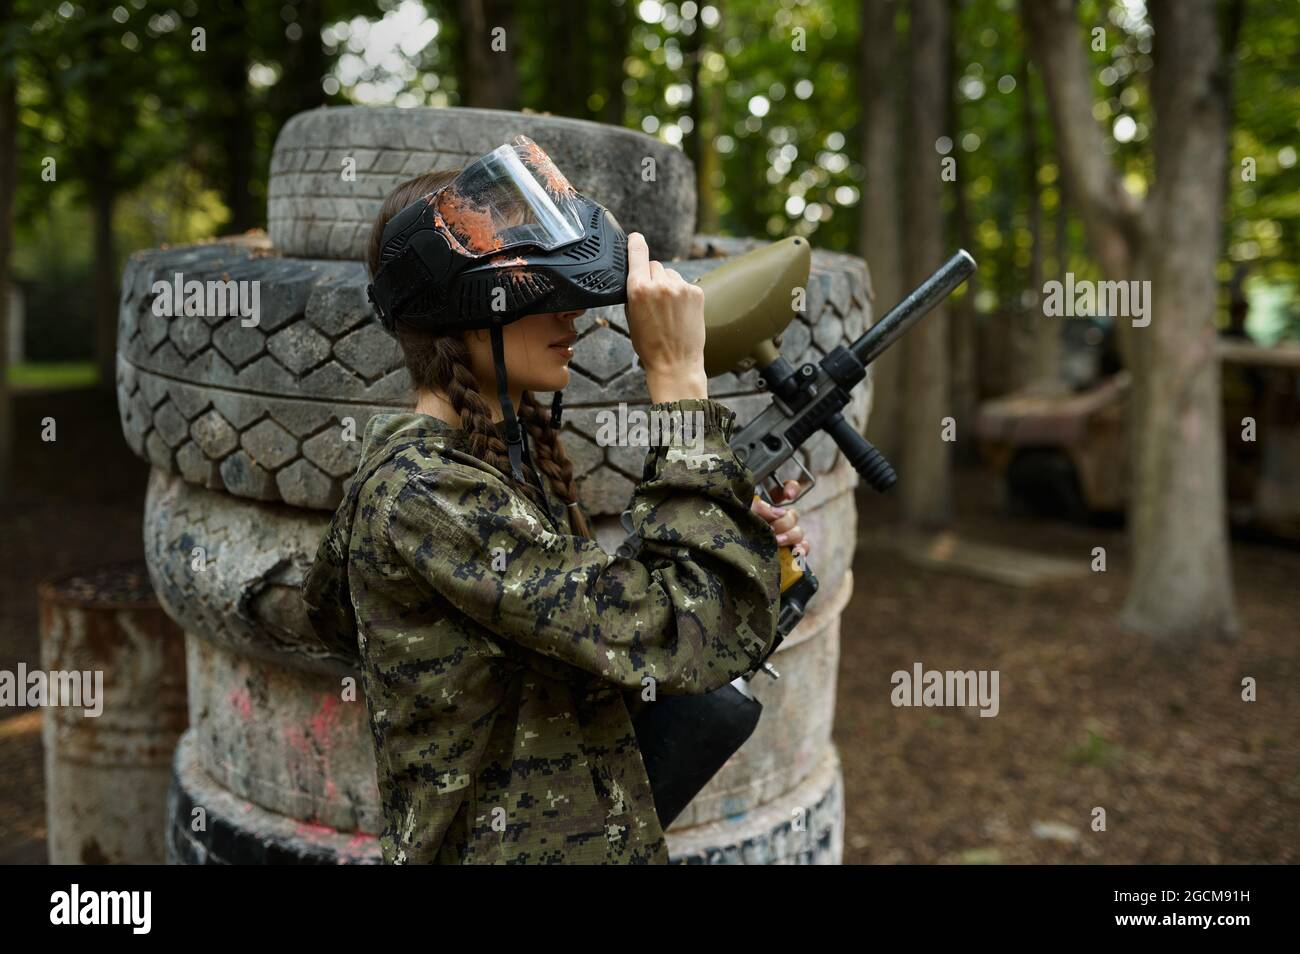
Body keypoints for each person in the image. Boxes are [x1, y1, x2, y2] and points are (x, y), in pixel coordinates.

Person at [303, 152, 809, 864]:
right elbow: (680, 636)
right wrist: (677, 382)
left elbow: (592, 626)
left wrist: (731, 530)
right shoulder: (425, 494)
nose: (571, 312)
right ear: (466, 308)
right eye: (540, 290)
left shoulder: (482, 466)